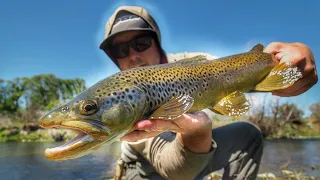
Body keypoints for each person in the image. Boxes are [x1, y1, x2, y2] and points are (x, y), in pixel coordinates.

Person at [99, 6, 318, 180]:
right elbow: (174, 171)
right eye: (120, 50)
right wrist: (196, 133)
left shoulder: (196, 63)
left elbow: (242, 69)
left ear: (156, 42)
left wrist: (293, 55)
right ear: (114, 58)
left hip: (201, 157)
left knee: (247, 133)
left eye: (141, 42)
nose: (133, 56)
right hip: (149, 172)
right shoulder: (123, 101)